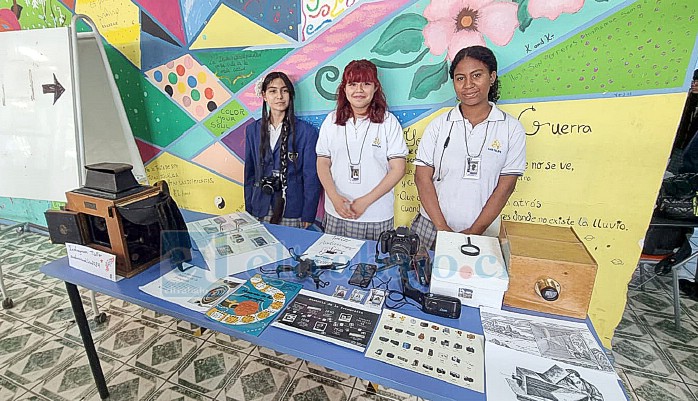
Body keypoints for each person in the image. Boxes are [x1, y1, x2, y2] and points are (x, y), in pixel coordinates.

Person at [412, 45, 526, 249]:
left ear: (492, 77)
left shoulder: (511, 128)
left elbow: (506, 186)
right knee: (420, 279)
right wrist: (443, 230)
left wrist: (473, 233)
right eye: (460, 78)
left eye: (477, 75)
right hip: (430, 228)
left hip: (483, 233)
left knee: (471, 281)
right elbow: (422, 177)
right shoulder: (439, 125)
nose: (468, 85)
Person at [316, 60, 408, 241]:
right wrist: (334, 198)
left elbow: (398, 169)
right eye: (353, 84)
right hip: (337, 212)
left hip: (376, 214)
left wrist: (365, 201)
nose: (359, 90)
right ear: (344, 89)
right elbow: (322, 162)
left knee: (374, 265)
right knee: (333, 264)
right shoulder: (331, 121)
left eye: (366, 84)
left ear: (375, 88)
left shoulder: (388, 122)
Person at [244, 72, 321, 228]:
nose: (279, 96)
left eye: (284, 90)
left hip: (292, 208)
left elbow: (311, 177)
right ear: (264, 95)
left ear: (290, 95)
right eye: (273, 91)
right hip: (260, 206)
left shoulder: (306, 132)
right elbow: (250, 173)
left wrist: (308, 213)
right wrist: (249, 206)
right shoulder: (253, 130)